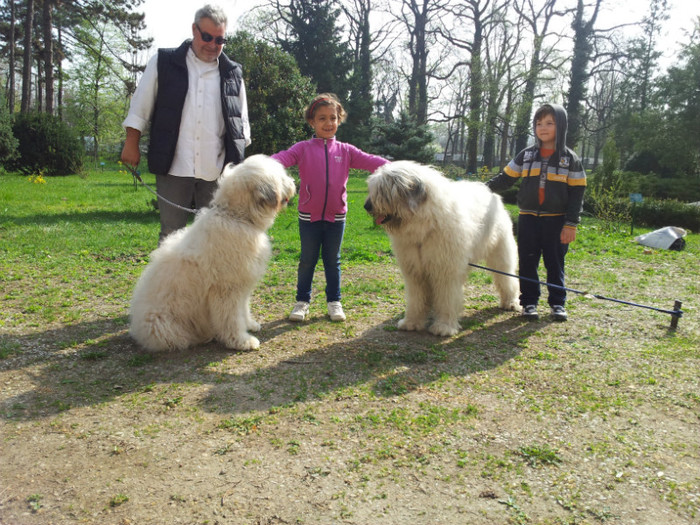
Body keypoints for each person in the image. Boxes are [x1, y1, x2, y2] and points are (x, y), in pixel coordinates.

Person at [121, 4, 251, 244]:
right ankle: (168, 283)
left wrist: (237, 166)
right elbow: (141, 105)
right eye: (207, 37)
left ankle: (208, 283)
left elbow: (241, 125)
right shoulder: (163, 61)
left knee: (216, 238)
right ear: (194, 29)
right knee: (171, 234)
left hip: (216, 170)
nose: (213, 44)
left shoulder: (233, 73)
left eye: (220, 39)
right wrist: (132, 142)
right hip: (174, 166)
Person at [272, 93, 389, 322]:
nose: (328, 123)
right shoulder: (302, 148)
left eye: (333, 118)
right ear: (312, 122)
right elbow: (282, 158)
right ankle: (302, 302)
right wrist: (262, 166)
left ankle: (334, 302)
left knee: (332, 261)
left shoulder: (346, 151)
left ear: (339, 120)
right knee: (307, 260)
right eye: (322, 118)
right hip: (308, 217)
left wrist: (398, 168)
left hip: (337, 217)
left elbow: (371, 160)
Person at [486, 103, 586, 321]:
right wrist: (480, 189)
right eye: (539, 123)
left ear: (561, 126)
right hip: (528, 219)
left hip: (557, 222)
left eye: (549, 123)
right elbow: (505, 179)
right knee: (528, 262)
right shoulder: (526, 155)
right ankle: (529, 302)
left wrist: (571, 223)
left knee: (555, 263)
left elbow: (577, 193)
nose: (543, 128)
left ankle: (557, 304)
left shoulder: (570, 158)